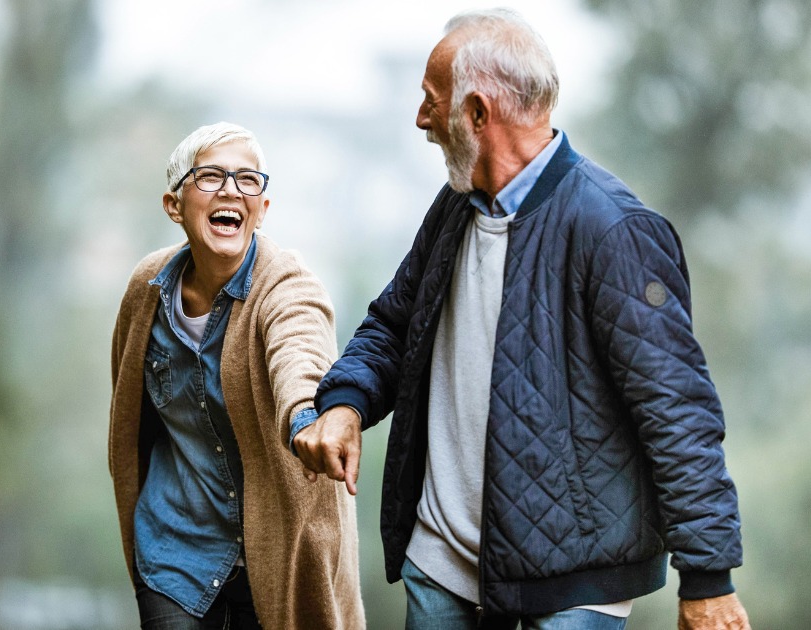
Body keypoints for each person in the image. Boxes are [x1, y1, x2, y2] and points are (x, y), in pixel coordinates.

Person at [292, 9, 750, 630]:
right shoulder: (454, 207)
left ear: (478, 113)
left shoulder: (613, 230)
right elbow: (395, 326)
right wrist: (344, 404)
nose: (421, 118)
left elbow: (677, 413)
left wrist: (708, 580)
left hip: (571, 588)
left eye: (432, 101)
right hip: (440, 567)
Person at [108, 122, 365, 629]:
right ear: (174, 204)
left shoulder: (286, 284)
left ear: (262, 209)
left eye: (248, 180)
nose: (231, 190)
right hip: (173, 555)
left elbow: (300, 353)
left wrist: (305, 419)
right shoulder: (147, 291)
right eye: (210, 176)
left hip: (274, 561)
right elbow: (129, 415)